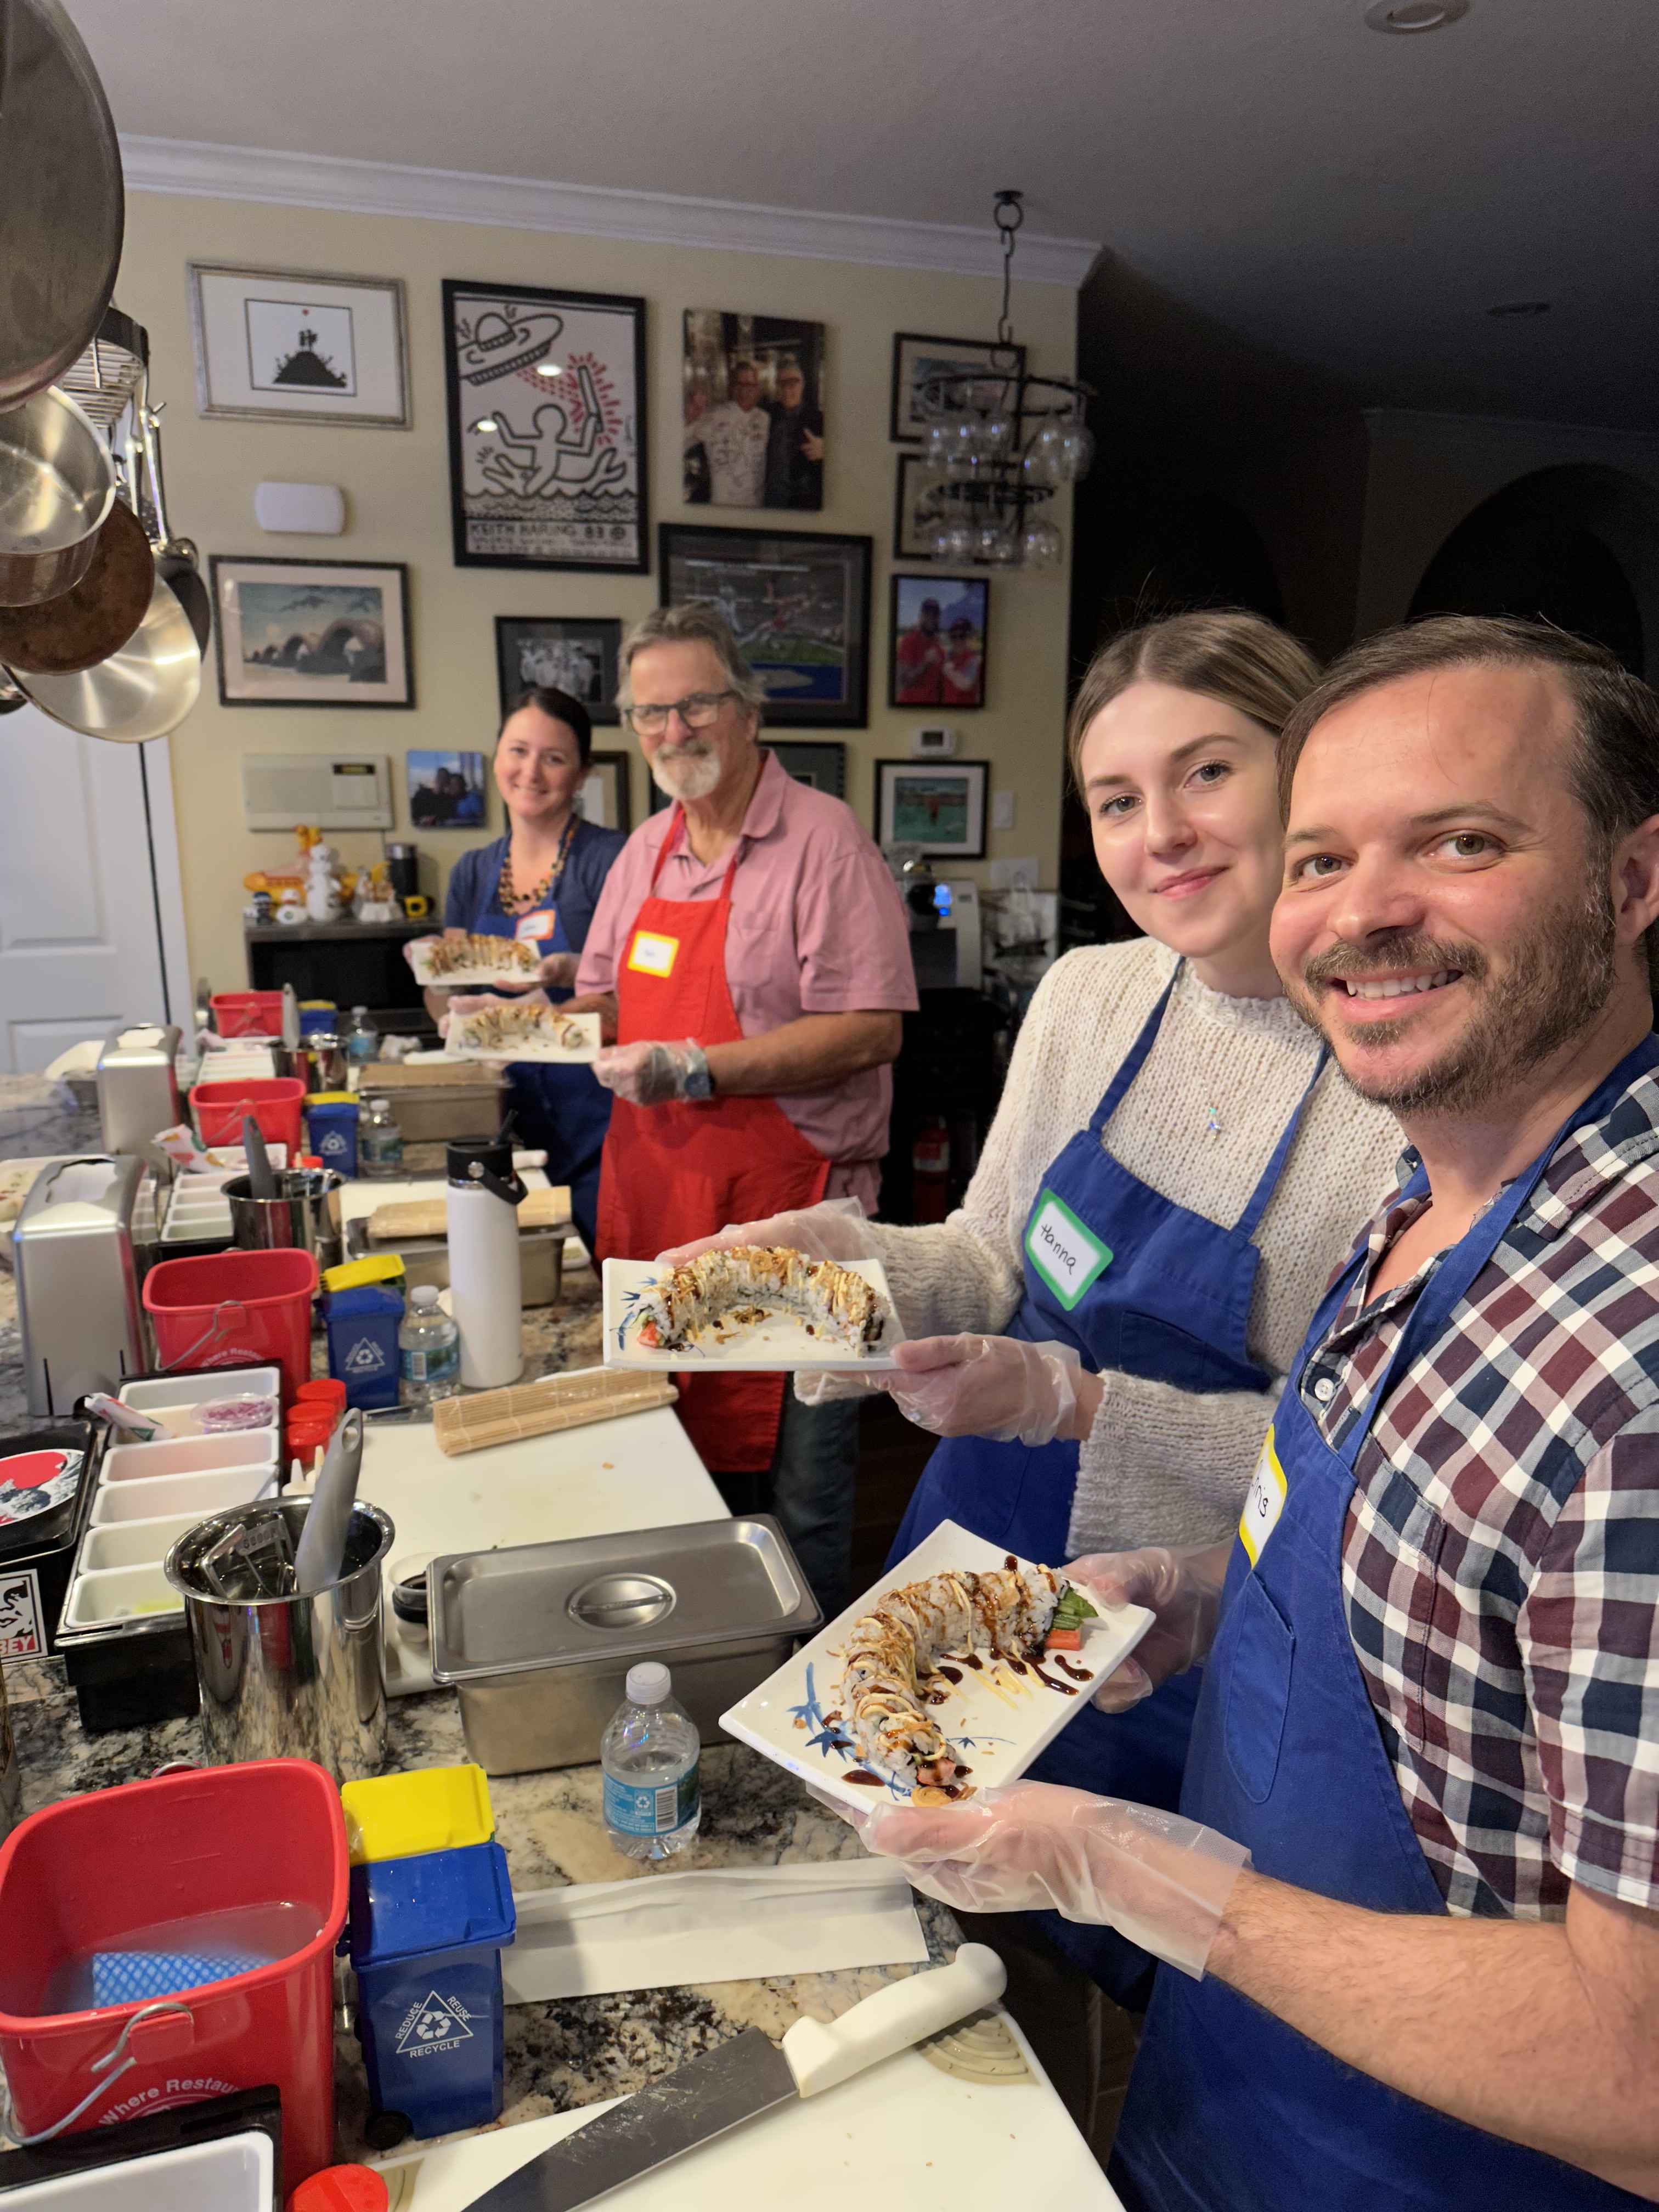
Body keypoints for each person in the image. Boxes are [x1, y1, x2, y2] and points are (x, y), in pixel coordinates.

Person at [852, 616, 1659, 2210]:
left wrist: (1127, 1870)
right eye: (1326, 859)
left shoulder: (1627, 1358)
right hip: (1243, 2090)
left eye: (1462, 842)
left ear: (1634, 881)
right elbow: (1434, 1582)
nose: (1366, 911)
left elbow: (1637, 2068)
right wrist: (1203, 1594)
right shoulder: (1428, 1194)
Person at [664, 611, 1403, 2009]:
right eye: (1117, 800)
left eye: (1207, 772)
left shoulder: (1395, 1073)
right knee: (922, 1924)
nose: (1161, 834)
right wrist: (843, 1275)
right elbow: (992, 1254)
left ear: (1307, 768)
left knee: (1141, 1964)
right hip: (980, 1552)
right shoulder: (1090, 995)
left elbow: (1351, 1463)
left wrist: (1076, 1402)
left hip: (1185, 1613)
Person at [569, 602, 916, 1615]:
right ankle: (699, 1656)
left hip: (797, 1209)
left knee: (803, 1491)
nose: (672, 731)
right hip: (662, 1202)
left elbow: (872, 1029)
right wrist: (521, 1021)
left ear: (748, 711)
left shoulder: (823, 841)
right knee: (669, 1463)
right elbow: (602, 1002)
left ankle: (804, 1681)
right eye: (650, 713)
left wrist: (695, 1068)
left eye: (695, 704)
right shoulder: (644, 851)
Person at [413, 686, 625, 1253]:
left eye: (554, 758)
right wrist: (438, 981)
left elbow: (634, 998)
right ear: (496, 757)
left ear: (581, 775)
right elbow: (449, 998)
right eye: (518, 751)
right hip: (502, 1119)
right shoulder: (473, 871)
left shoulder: (611, 861)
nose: (531, 772)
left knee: (596, 1265)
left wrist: (536, 1008)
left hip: (598, 1124)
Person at [682, 359, 769, 507]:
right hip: (722, 508)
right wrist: (689, 419)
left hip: (756, 508)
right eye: (739, 385)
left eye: (750, 385)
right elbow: (677, 444)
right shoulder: (714, 416)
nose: (744, 390)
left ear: (757, 388)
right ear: (733, 388)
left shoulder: (765, 419)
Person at [763, 358, 824, 510]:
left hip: (806, 504)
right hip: (771, 502)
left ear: (802, 385)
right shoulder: (765, 415)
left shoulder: (820, 420)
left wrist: (827, 451)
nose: (787, 390)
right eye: (782, 384)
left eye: (793, 383)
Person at [893, 596, 946, 705]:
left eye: (935, 615)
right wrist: (925, 663)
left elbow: (940, 685)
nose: (931, 618)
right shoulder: (909, 641)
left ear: (938, 618)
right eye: (927, 614)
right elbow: (905, 681)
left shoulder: (939, 648)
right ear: (921, 617)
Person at [941, 615, 983, 707]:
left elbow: (966, 684)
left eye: (962, 636)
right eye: (954, 636)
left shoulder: (974, 660)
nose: (958, 640)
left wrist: (949, 671)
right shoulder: (948, 657)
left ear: (970, 637)